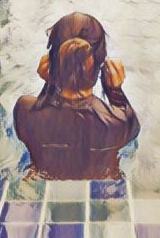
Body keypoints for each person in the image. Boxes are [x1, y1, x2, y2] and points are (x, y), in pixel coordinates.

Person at [13, 12, 140, 180]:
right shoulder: (119, 121)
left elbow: (40, 118)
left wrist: (50, 85)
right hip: (102, 188)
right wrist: (115, 91)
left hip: (41, 184)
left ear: (51, 63)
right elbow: (133, 131)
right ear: (101, 63)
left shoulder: (24, 110)